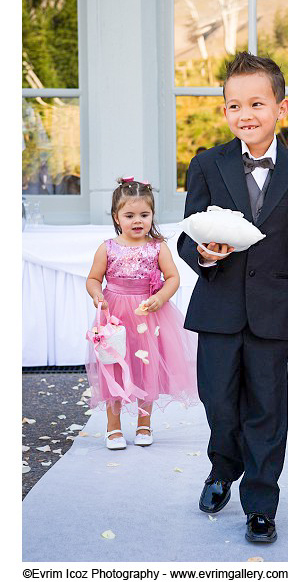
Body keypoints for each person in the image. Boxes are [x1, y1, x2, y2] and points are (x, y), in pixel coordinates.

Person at [177, 52, 288, 544]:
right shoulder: (205, 164)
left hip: (272, 311)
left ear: (281, 108)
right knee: (217, 399)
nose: (246, 114)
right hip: (218, 307)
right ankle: (224, 465)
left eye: (257, 103)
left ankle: (260, 503)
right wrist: (203, 255)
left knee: (266, 407)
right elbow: (186, 234)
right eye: (234, 105)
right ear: (224, 112)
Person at [85, 178, 199, 451]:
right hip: (115, 316)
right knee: (113, 365)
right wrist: (97, 294)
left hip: (148, 316)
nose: (138, 221)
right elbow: (93, 278)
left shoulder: (157, 247)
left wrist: (160, 296)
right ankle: (113, 428)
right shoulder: (107, 248)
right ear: (117, 217)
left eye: (144, 215)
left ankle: (144, 424)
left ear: (152, 216)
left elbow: (172, 277)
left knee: (145, 367)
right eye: (130, 215)